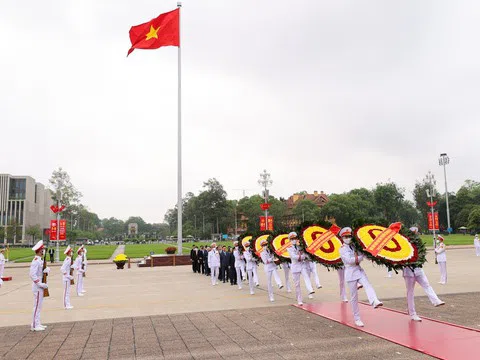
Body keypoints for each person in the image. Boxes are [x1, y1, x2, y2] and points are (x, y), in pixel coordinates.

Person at [339, 227, 383, 327]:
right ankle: (357, 318)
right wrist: (361, 257)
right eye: (345, 237)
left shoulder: (355, 246)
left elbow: (363, 254)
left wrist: (370, 254)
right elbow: (349, 260)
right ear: (342, 238)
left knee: (368, 284)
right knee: (354, 297)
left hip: (358, 270)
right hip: (350, 273)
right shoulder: (342, 249)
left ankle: (374, 301)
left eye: (349, 236)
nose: (348, 238)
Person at [286, 232, 315, 305]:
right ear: (290, 240)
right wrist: (302, 257)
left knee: (306, 277)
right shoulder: (289, 248)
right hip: (295, 267)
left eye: (295, 238)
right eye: (292, 239)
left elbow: (305, 253)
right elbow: (294, 257)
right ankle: (299, 299)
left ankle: (310, 289)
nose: (294, 240)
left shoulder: (300, 246)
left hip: (302, 265)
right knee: (297, 284)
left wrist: (307, 256)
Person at [29, 241, 50, 331]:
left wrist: (46, 270)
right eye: (42, 249)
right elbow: (32, 274)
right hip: (37, 286)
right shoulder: (36, 261)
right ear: (39, 251)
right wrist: (39, 283)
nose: (43, 251)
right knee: (37, 306)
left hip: (40, 286)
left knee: (39, 306)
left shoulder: (40, 260)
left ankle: (37, 323)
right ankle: (34, 325)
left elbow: (40, 272)